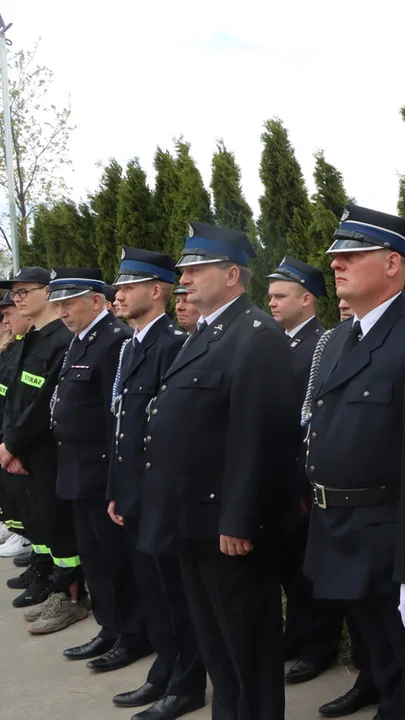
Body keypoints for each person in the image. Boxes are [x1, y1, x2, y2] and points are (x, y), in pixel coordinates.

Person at [303, 204, 405, 720]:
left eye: (352, 254)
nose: (336, 264)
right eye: (335, 256)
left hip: (393, 543)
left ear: (392, 264)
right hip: (342, 533)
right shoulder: (339, 340)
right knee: (384, 665)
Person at [140, 222, 295, 719]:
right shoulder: (204, 334)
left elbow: (260, 439)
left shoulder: (255, 336)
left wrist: (239, 521)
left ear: (232, 274)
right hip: (193, 523)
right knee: (218, 649)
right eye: (184, 267)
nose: (185, 276)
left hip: (227, 531)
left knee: (248, 650)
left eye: (197, 267)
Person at [107, 246, 207, 720]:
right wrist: (117, 489)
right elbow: (124, 424)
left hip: (159, 497)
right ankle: (166, 670)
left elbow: (169, 435)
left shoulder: (172, 344)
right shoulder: (135, 345)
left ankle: (186, 682)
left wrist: (150, 495)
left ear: (155, 290)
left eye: (127, 286)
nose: (118, 294)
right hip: (134, 495)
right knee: (155, 591)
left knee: (177, 596)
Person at [48, 267, 151, 671]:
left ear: (96, 301)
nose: (62, 312)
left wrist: (117, 481)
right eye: (57, 304)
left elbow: (117, 418)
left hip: (101, 469)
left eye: (69, 303)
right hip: (76, 468)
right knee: (94, 556)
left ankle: (132, 632)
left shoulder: (114, 342)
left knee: (115, 557)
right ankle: (110, 625)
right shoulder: (80, 341)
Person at [266, 255, 351, 686]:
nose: (273, 304)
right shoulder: (279, 342)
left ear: (308, 299)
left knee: (307, 572)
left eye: (281, 296)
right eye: (270, 297)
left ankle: (319, 644)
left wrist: (303, 478)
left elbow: (313, 418)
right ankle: (295, 635)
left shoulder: (321, 343)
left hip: (303, 477)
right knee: (287, 567)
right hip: (278, 478)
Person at [0, 266, 88, 634]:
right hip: (23, 450)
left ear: (48, 293)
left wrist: (13, 444)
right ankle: (54, 582)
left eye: (24, 292)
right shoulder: (33, 338)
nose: (17, 299)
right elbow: (16, 398)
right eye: (14, 294)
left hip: (47, 450)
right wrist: (10, 444)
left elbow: (42, 405)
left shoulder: (60, 340)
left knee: (58, 523)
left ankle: (70, 597)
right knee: (42, 521)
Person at [0, 292, 31, 560]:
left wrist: (12, 441)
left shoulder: (25, 345)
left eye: (8, 314)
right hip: (9, 430)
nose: (6, 321)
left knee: (25, 494)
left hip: (22, 438)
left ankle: (23, 534)